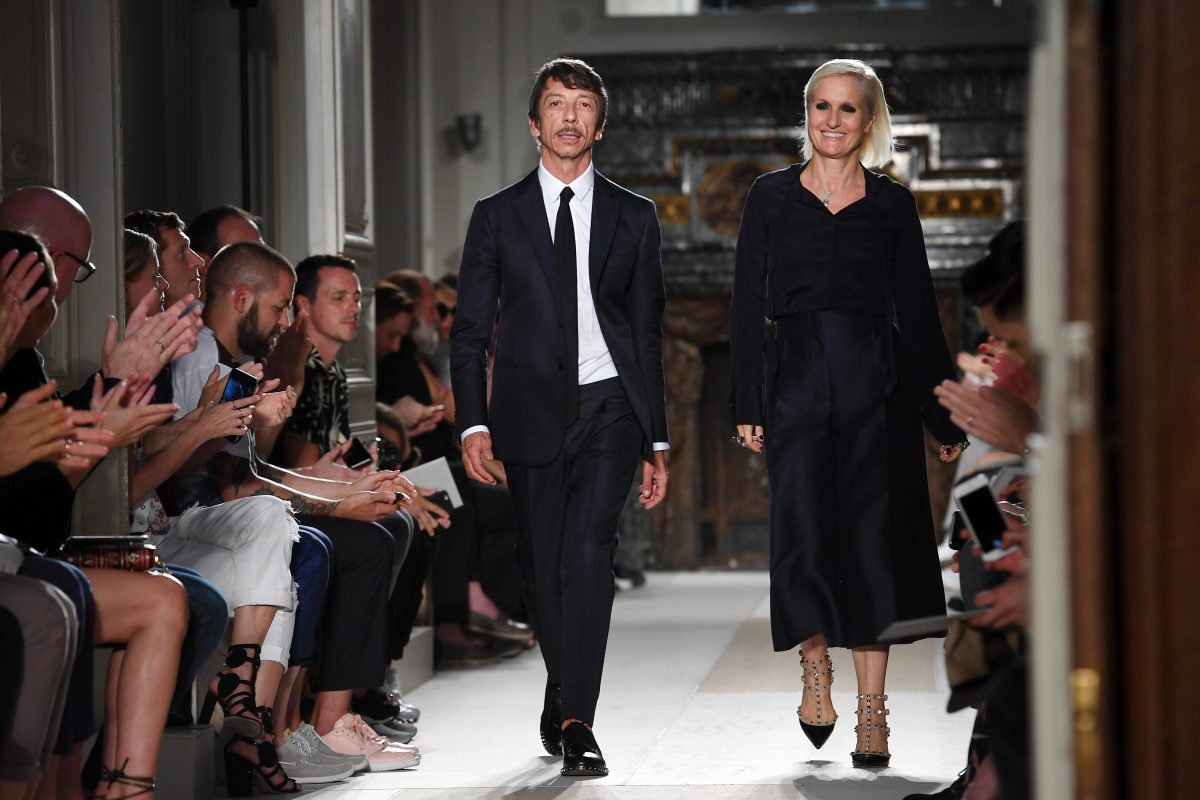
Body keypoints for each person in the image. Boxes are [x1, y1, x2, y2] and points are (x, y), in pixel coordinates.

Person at [727, 58, 967, 768]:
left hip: (876, 386)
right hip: (795, 379)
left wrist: (941, 412)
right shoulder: (769, 196)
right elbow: (745, 304)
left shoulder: (892, 204)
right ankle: (814, 669)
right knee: (801, 537)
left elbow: (919, 311)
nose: (833, 121)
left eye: (848, 109)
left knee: (873, 546)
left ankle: (873, 713)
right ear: (807, 115)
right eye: (822, 107)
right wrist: (747, 397)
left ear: (869, 120)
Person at [451, 57, 670, 777]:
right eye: (556, 103)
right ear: (534, 122)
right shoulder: (496, 216)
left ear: (599, 126)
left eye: (582, 105)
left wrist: (655, 436)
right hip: (527, 412)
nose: (569, 116)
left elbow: (645, 334)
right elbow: (470, 332)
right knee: (543, 570)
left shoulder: (636, 217)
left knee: (588, 556)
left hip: (609, 405)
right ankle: (563, 685)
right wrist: (473, 424)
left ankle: (578, 718)